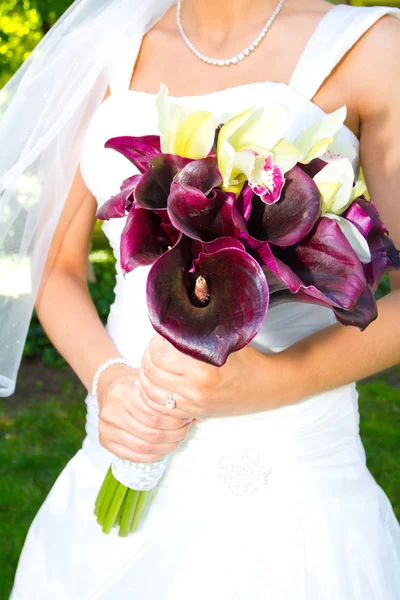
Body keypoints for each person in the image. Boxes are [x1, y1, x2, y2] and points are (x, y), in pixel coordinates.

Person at [4, 0, 400, 598]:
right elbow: (56, 270)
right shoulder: (104, 49)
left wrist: (274, 382)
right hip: (122, 445)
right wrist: (110, 382)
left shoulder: (371, 50)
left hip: (288, 477)